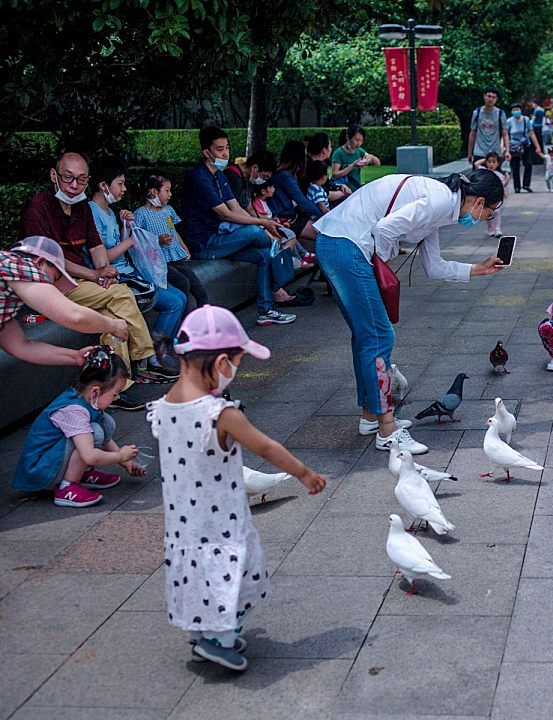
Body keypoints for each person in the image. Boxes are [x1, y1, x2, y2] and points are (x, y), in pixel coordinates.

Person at [148, 305, 326, 672]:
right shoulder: (222, 414)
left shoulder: (163, 406)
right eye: (236, 363)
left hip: (184, 522)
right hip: (221, 521)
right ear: (219, 362)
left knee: (200, 576)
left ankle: (203, 636)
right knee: (239, 577)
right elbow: (267, 447)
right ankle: (219, 640)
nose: (234, 372)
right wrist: (303, 472)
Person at [312, 170, 505, 454]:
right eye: (489, 212)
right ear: (478, 201)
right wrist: (383, 260)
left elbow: (434, 267)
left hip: (338, 243)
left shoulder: (441, 208)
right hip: (346, 245)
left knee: (367, 336)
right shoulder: (439, 202)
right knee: (379, 337)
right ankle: (387, 431)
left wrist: (478, 269)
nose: (486, 218)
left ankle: (371, 417)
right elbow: (384, 230)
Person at [19, 152, 156, 410]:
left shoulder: (82, 207)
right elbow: (51, 259)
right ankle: (145, 356)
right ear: (54, 176)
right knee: (121, 295)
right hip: (50, 285)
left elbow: (96, 247)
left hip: (77, 281)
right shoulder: (37, 208)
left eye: (81, 180)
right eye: (68, 178)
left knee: (110, 312)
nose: (74, 186)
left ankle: (116, 388)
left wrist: (104, 270)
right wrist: (95, 274)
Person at [180, 126, 295, 326]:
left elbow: (236, 207)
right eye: (219, 149)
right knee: (256, 235)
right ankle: (278, 281)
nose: (225, 153)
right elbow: (226, 214)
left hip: (222, 238)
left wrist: (264, 226)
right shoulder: (199, 177)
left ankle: (265, 310)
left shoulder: (219, 175)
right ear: (206, 152)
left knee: (262, 254)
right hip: (205, 243)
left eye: (227, 148)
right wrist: (262, 224)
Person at [13, 345, 145, 508]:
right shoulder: (74, 410)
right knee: (95, 432)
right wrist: (119, 456)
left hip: (52, 462)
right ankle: (67, 487)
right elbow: (89, 455)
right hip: (41, 472)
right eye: (114, 394)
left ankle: (82, 474)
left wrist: (126, 462)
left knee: (105, 423)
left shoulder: (84, 399)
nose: (116, 398)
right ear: (95, 391)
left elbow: (106, 440)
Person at [89, 160, 187, 376]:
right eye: (120, 184)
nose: (124, 189)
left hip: (127, 272)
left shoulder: (109, 211)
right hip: (117, 278)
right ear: (104, 186)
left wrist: (125, 227)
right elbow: (103, 259)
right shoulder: (92, 213)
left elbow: (118, 248)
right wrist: (130, 240)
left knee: (180, 298)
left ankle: (158, 353)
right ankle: (152, 358)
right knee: (173, 303)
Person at [1, 236, 128, 367]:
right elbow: (75, 316)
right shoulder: (18, 265)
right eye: (54, 278)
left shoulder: (6, 300)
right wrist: (113, 325)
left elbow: (21, 347)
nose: (52, 285)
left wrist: (76, 357)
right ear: (40, 263)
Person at [134, 174, 210, 308]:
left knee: (199, 289)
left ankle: (203, 318)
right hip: (160, 262)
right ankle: (184, 321)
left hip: (176, 258)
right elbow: (137, 241)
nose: (170, 194)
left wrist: (184, 248)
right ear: (153, 191)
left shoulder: (168, 210)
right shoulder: (140, 214)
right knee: (183, 282)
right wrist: (157, 240)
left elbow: (173, 230)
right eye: (167, 190)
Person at [270, 140, 325, 238]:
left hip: (288, 215)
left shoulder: (283, 175)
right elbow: (302, 201)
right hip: (286, 217)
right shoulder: (285, 177)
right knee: (324, 233)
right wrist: (323, 215)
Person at [224, 151, 277, 217]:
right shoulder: (232, 176)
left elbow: (249, 208)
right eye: (264, 176)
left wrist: (267, 220)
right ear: (254, 168)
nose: (264, 180)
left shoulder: (249, 180)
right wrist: (258, 221)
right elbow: (235, 208)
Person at [506, 103, 545, 193]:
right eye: (514, 110)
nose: (516, 111)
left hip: (525, 144)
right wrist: (504, 147)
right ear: (511, 112)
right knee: (515, 166)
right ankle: (517, 187)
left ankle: (526, 184)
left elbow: (531, 133)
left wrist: (537, 147)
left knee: (528, 164)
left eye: (517, 109)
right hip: (514, 146)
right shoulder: (509, 121)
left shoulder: (526, 120)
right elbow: (505, 135)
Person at [330, 125, 380, 192]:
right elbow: (335, 175)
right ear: (348, 137)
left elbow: (377, 163)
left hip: (356, 189)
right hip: (343, 191)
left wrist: (371, 157)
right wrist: (353, 165)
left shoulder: (359, 151)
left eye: (361, 141)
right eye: (356, 140)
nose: (359, 143)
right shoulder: (339, 153)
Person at [467, 87, 510, 165]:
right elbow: (472, 133)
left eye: (493, 97)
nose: (490, 99)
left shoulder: (500, 113)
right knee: (478, 176)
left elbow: (505, 134)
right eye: (489, 96)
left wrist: (507, 151)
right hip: (479, 151)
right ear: (484, 96)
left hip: (495, 152)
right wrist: (470, 152)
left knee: (494, 176)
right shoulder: (477, 113)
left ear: (496, 99)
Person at [478, 153, 508, 237]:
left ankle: (498, 229)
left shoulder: (499, 175)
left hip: (496, 197)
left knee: (497, 212)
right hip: (486, 197)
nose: (491, 164)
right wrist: (485, 159)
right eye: (489, 161)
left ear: (498, 164)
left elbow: (502, 186)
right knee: (488, 214)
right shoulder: (484, 172)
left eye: (494, 162)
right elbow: (476, 164)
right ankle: (490, 228)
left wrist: (504, 193)